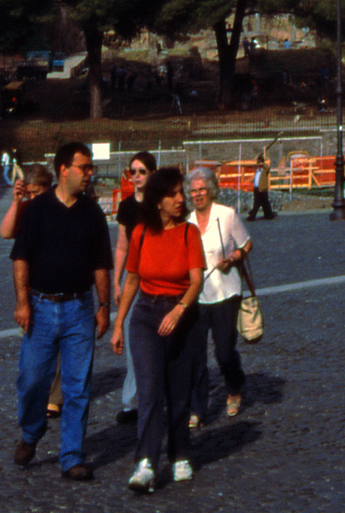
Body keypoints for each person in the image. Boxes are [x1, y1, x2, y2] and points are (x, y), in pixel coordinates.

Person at [10, 142, 112, 480]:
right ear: (64, 169)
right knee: (31, 380)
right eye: (84, 167)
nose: (89, 173)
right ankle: (31, 431)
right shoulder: (37, 209)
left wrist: (104, 306)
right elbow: (20, 257)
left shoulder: (92, 213)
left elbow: (101, 264)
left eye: (91, 167)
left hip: (80, 310)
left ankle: (71, 456)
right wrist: (23, 302)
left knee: (77, 386)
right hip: (40, 308)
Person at [112, 167, 205, 493]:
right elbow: (132, 280)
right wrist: (119, 322)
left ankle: (180, 452)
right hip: (146, 317)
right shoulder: (139, 233)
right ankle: (146, 464)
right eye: (173, 194)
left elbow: (196, 281)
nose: (181, 199)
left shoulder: (188, 234)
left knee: (179, 396)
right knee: (150, 391)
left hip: (183, 317)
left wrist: (179, 310)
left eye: (182, 193)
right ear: (157, 201)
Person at [187, 167, 251, 426]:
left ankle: (234, 387)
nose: (198, 194)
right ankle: (197, 408)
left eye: (202, 189)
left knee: (224, 352)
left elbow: (246, 243)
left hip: (226, 293)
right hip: (197, 296)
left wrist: (234, 257)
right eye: (193, 190)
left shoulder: (227, 215)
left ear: (211, 189)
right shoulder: (186, 221)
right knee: (195, 355)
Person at [112, 152, 157, 426]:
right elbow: (121, 246)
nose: (136, 177)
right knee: (132, 340)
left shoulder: (160, 204)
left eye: (141, 171)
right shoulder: (127, 206)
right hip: (133, 279)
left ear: (152, 173)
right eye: (133, 172)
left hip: (157, 278)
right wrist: (116, 280)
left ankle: (158, 397)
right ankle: (132, 402)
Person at [247, 152, 275, 221]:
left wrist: (262, 162)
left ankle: (253, 216)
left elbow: (268, 167)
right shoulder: (257, 171)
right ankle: (268, 214)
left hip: (262, 189)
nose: (259, 165)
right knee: (261, 203)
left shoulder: (265, 170)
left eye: (260, 164)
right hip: (256, 189)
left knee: (262, 203)